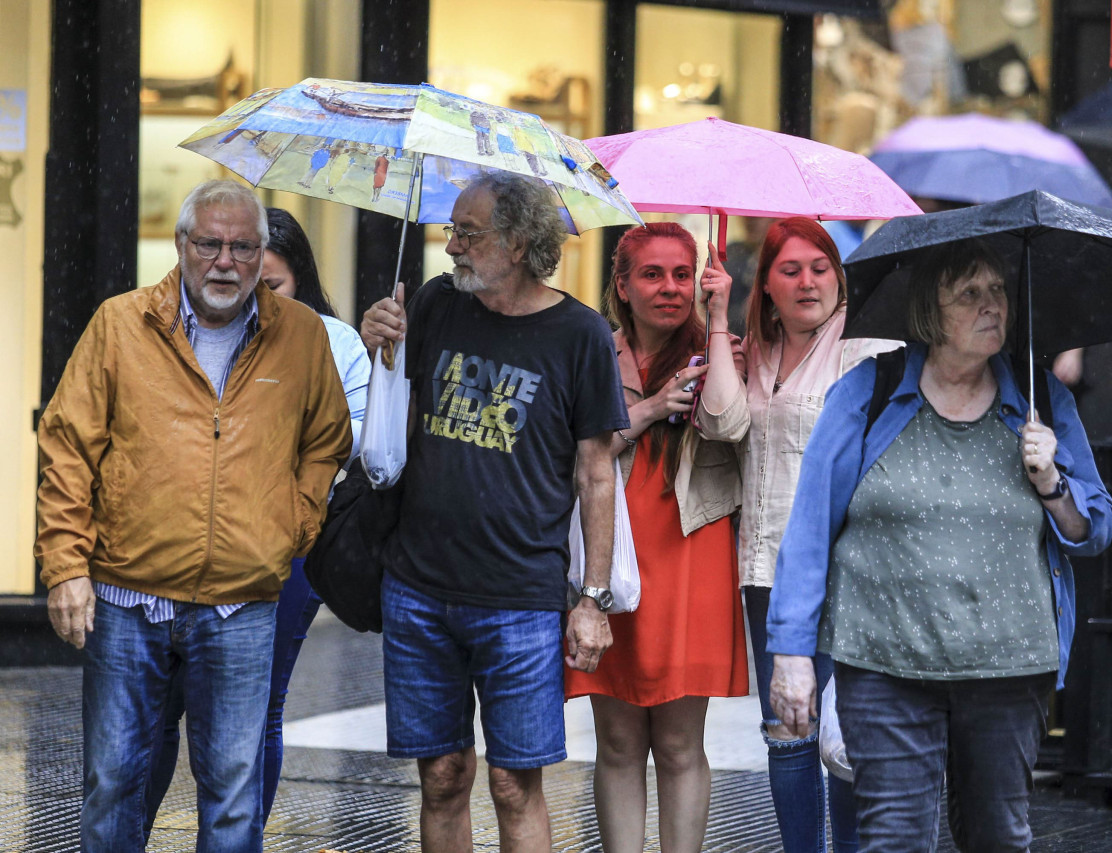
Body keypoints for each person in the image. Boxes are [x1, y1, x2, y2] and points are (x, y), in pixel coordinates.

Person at [35, 180, 352, 852]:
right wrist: (66, 566)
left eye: (242, 246)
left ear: (262, 253)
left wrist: (290, 527)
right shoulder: (119, 324)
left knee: (234, 795)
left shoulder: (300, 336)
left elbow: (327, 438)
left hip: (242, 603)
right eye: (209, 243)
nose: (225, 261)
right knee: (114, 780)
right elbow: (67, 446)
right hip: (125, 595)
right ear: (182, 246)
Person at [768, 239, 1112, 853]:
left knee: (997, 838)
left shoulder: (1038, 399)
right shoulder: (869, 394)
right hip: (884, 663)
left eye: (999, 291)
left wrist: (1051, 482)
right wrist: (792, 654)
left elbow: (1094, 530)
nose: (992, 307)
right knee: (894, 839)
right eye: (970, 294)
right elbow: (809, 528)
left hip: (1009, 668)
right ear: (931, 312)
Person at [359, 172, 627, 853]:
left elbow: (597, 474)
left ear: (519, 242)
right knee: (443, 774)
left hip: (522, 596)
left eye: (468, 234)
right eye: (451, 230)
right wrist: (378, 347)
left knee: (514, 784)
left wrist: (591, 599)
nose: (451, 246)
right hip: (418, 585)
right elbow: (391, 420)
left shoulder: (582, 334)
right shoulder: (435, 304)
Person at [142, 207, 372, 828]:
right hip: (184, 535)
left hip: (288, 544)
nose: (256, 295)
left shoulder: (333, 340)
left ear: (300, 280)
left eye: (274, 286)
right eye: (248, 278)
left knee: (257, 707)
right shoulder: (190, 329)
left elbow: (353, 441)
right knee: (163, 706)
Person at [701, 217, 897, 853]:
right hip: (763, 570)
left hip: (844, 569)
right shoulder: (750, 349)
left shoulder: (867, 350)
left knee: (839, 733)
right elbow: (721, 425)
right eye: (790, 269)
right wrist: (718, 321)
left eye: (820, 268)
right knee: (785, 727)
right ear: (767, 285)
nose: (807, 281)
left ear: (839, 279)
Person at [563, 222, 749, 853]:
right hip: (608, 558)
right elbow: (571, 455)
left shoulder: (722, 351)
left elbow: (727, 424)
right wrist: (650, 406)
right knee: (616, 741)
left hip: (689, 556)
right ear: (622, 284)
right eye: (651, 274)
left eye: (681, 275)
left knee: (677, 742)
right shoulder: (591, 352)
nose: (669, 288)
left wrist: (720, 320)